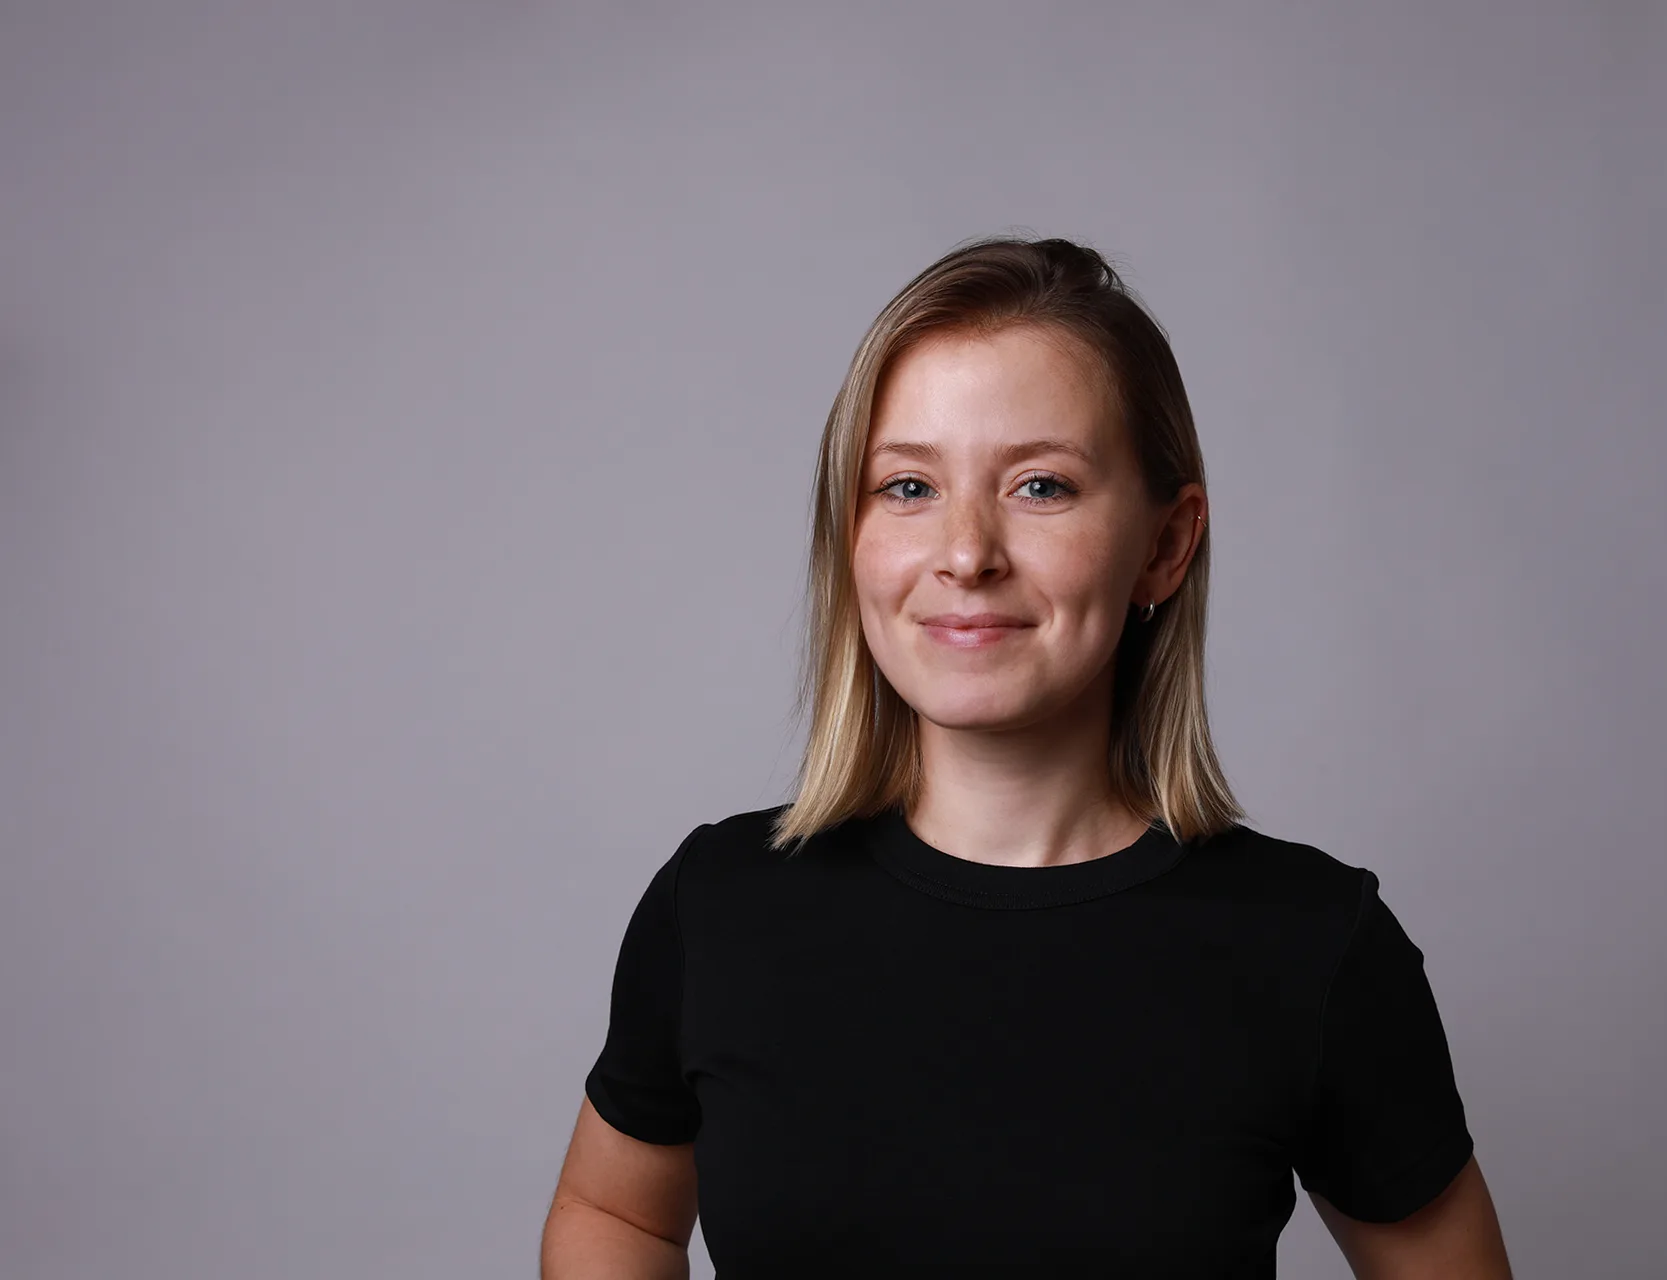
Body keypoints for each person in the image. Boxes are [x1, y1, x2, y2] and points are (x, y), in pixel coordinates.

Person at [540, 236, 1513, 1278]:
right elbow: (614, 1212)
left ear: (1165, 544)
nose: (966, 553)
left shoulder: (1313, 943)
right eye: (907, 486)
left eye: (1041, 486)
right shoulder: (718, 906)